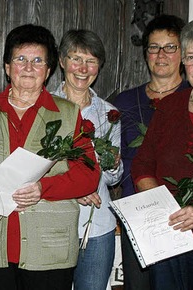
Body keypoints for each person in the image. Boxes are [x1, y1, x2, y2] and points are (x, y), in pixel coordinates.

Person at [0, 24, 100, 290]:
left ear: (48, 71)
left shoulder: (69, 114)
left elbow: (88, 174)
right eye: (20, 59)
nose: (28, 67)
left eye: (38, 61)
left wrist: (42, 188)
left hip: (49, 249)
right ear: (6, 67)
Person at [132, 18, 193, 290]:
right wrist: (162, 203)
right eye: (191, 57)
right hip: (166, 235)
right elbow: (142, 164)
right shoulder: (169, 107)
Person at [112, 14, 188, 289]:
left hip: (185, 213)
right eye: (154, 47)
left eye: (170, 47)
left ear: (183, 52)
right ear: (146, 55)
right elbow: (113, 161)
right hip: (138, 213)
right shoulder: (124, 102)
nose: (161, 54)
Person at [50, 29, 122, 290]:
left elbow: (113, 178)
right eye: (76, 59)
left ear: (99, 67)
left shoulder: (109, 113)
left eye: (91, 61)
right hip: (54, 221)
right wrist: (74, 188)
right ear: (61, 61)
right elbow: (37, 169)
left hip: (98, 225)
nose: (83, 68)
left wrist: (113, 163)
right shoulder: (45, 107)